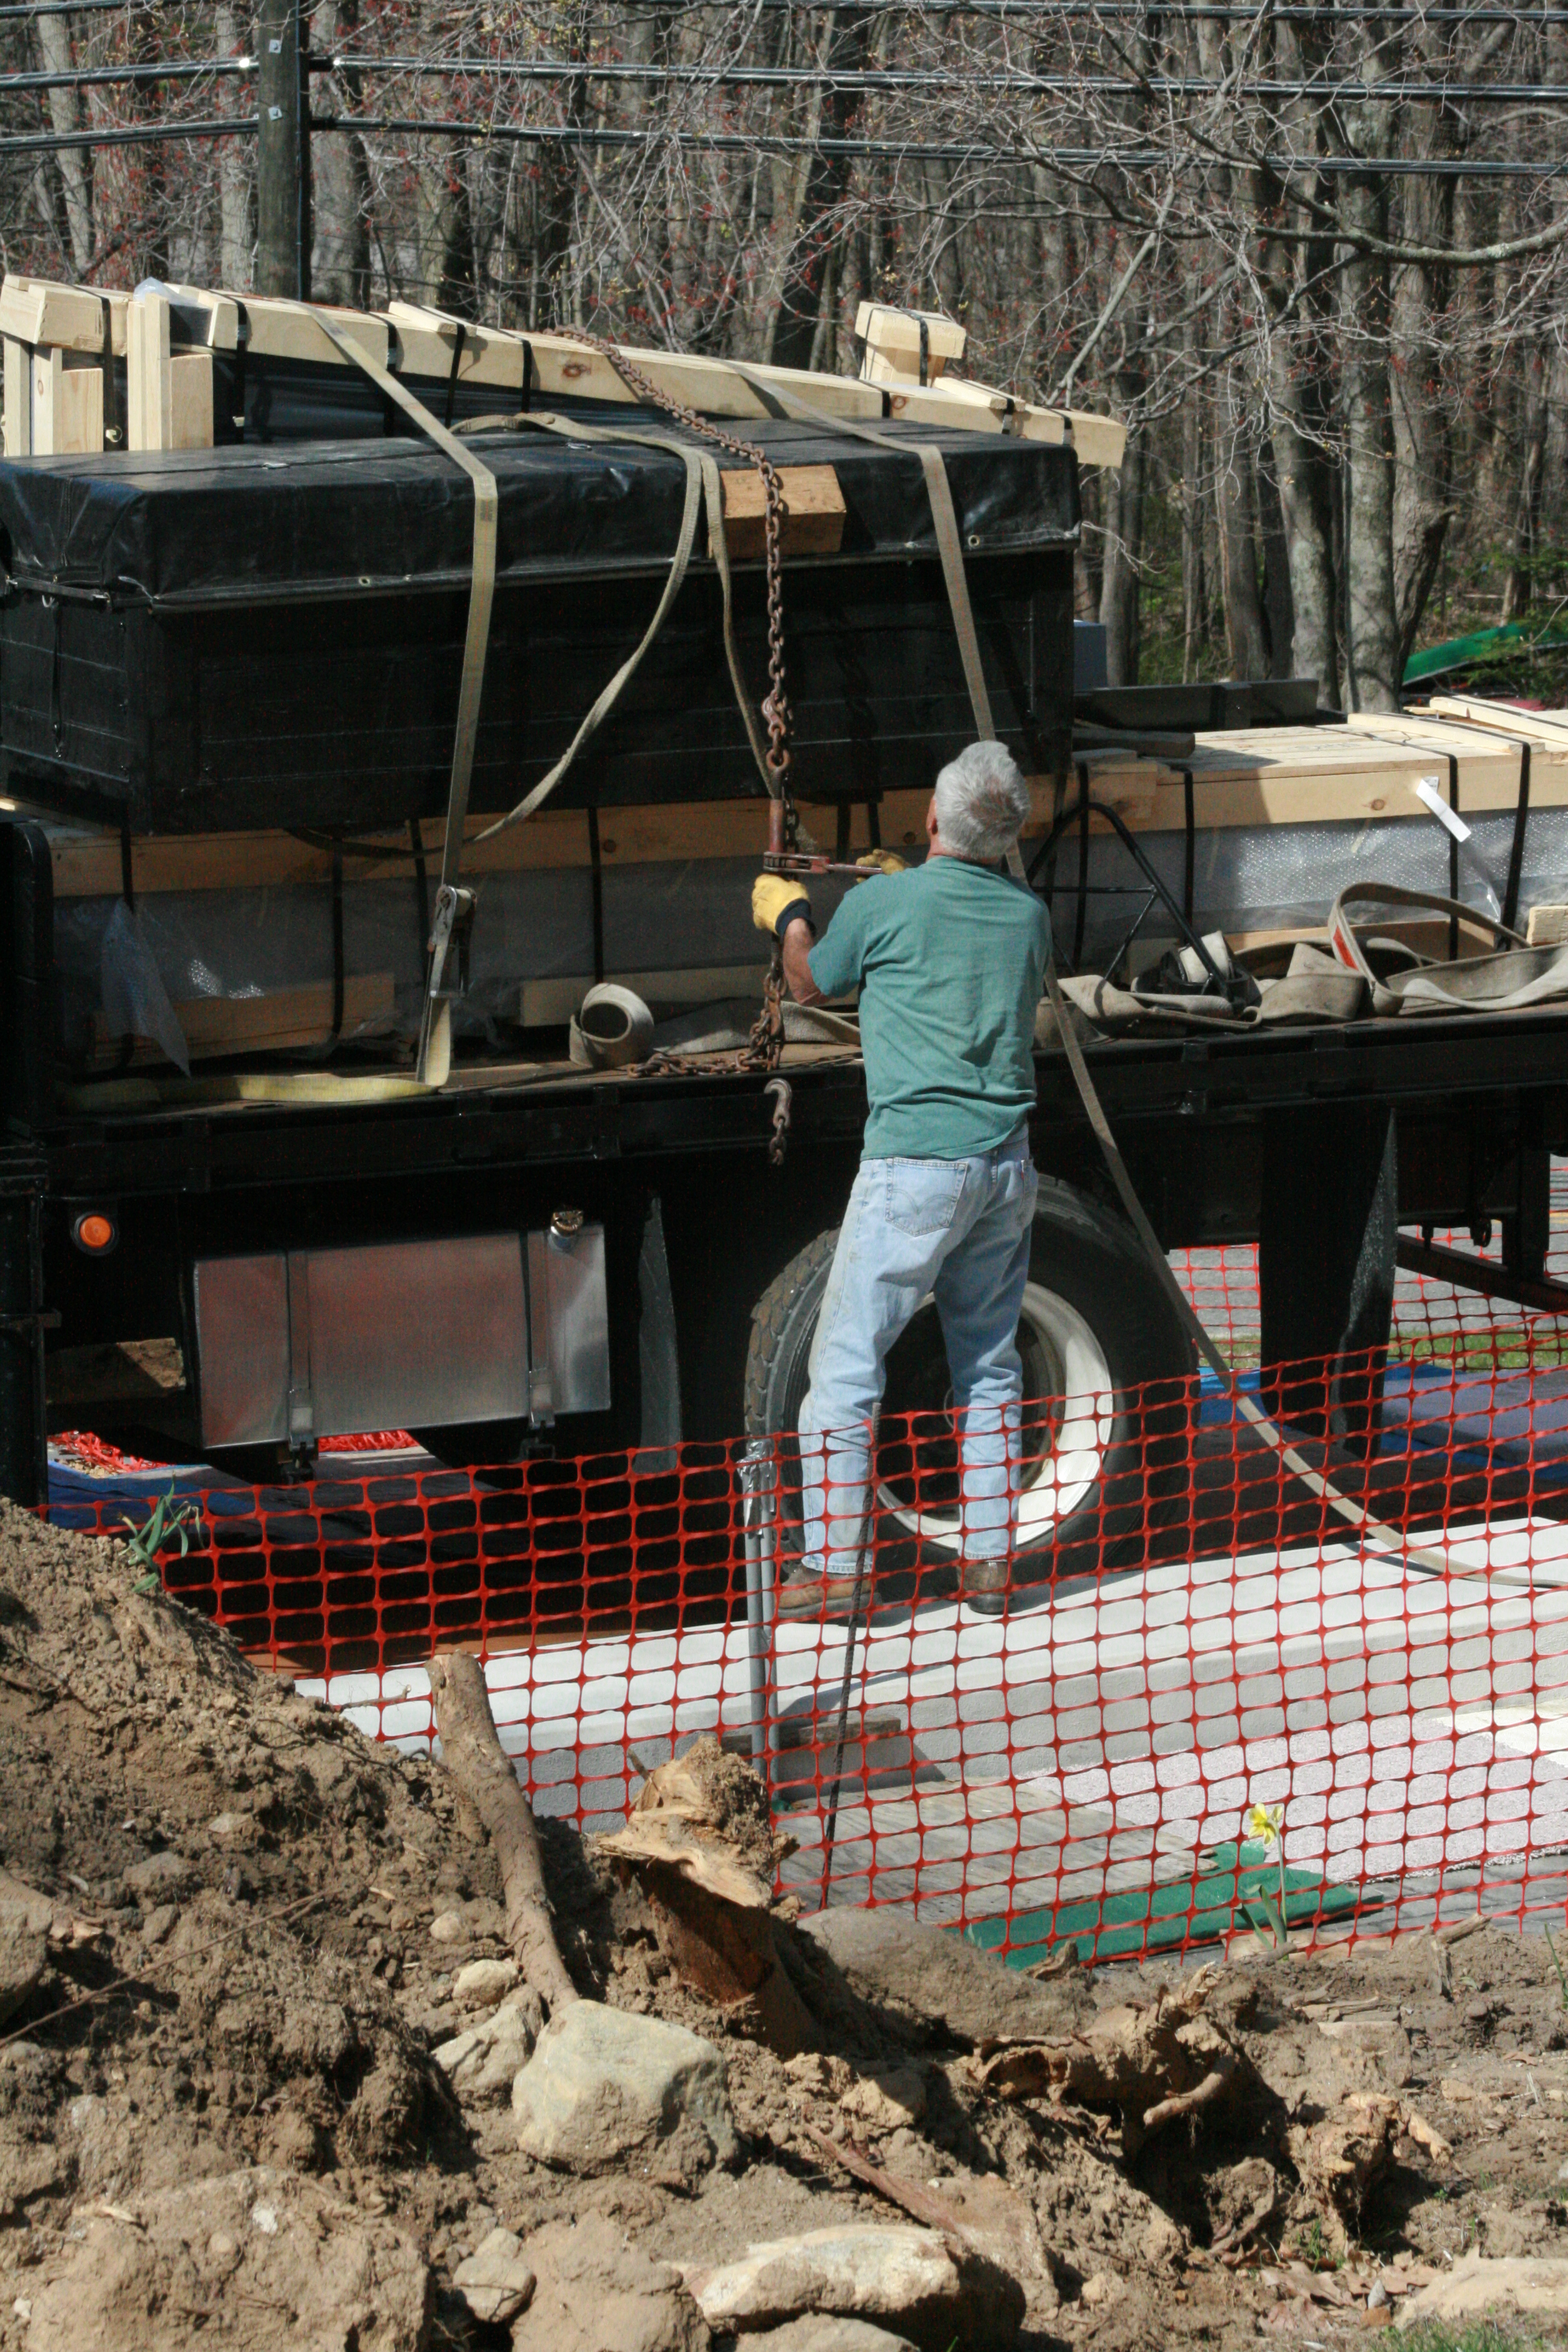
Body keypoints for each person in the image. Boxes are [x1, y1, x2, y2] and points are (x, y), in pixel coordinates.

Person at [750, 740, 1050, 1619]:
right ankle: (990, 1565)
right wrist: (901, 885)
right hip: (1005, 1166)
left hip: (914, 1170)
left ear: (931, 820)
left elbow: (811, 982)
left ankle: (835, 1567)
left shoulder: (884, 902)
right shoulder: (1026, 915)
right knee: (989, 1364)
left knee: (843, 1364)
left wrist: (792, 913)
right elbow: (958, 935)